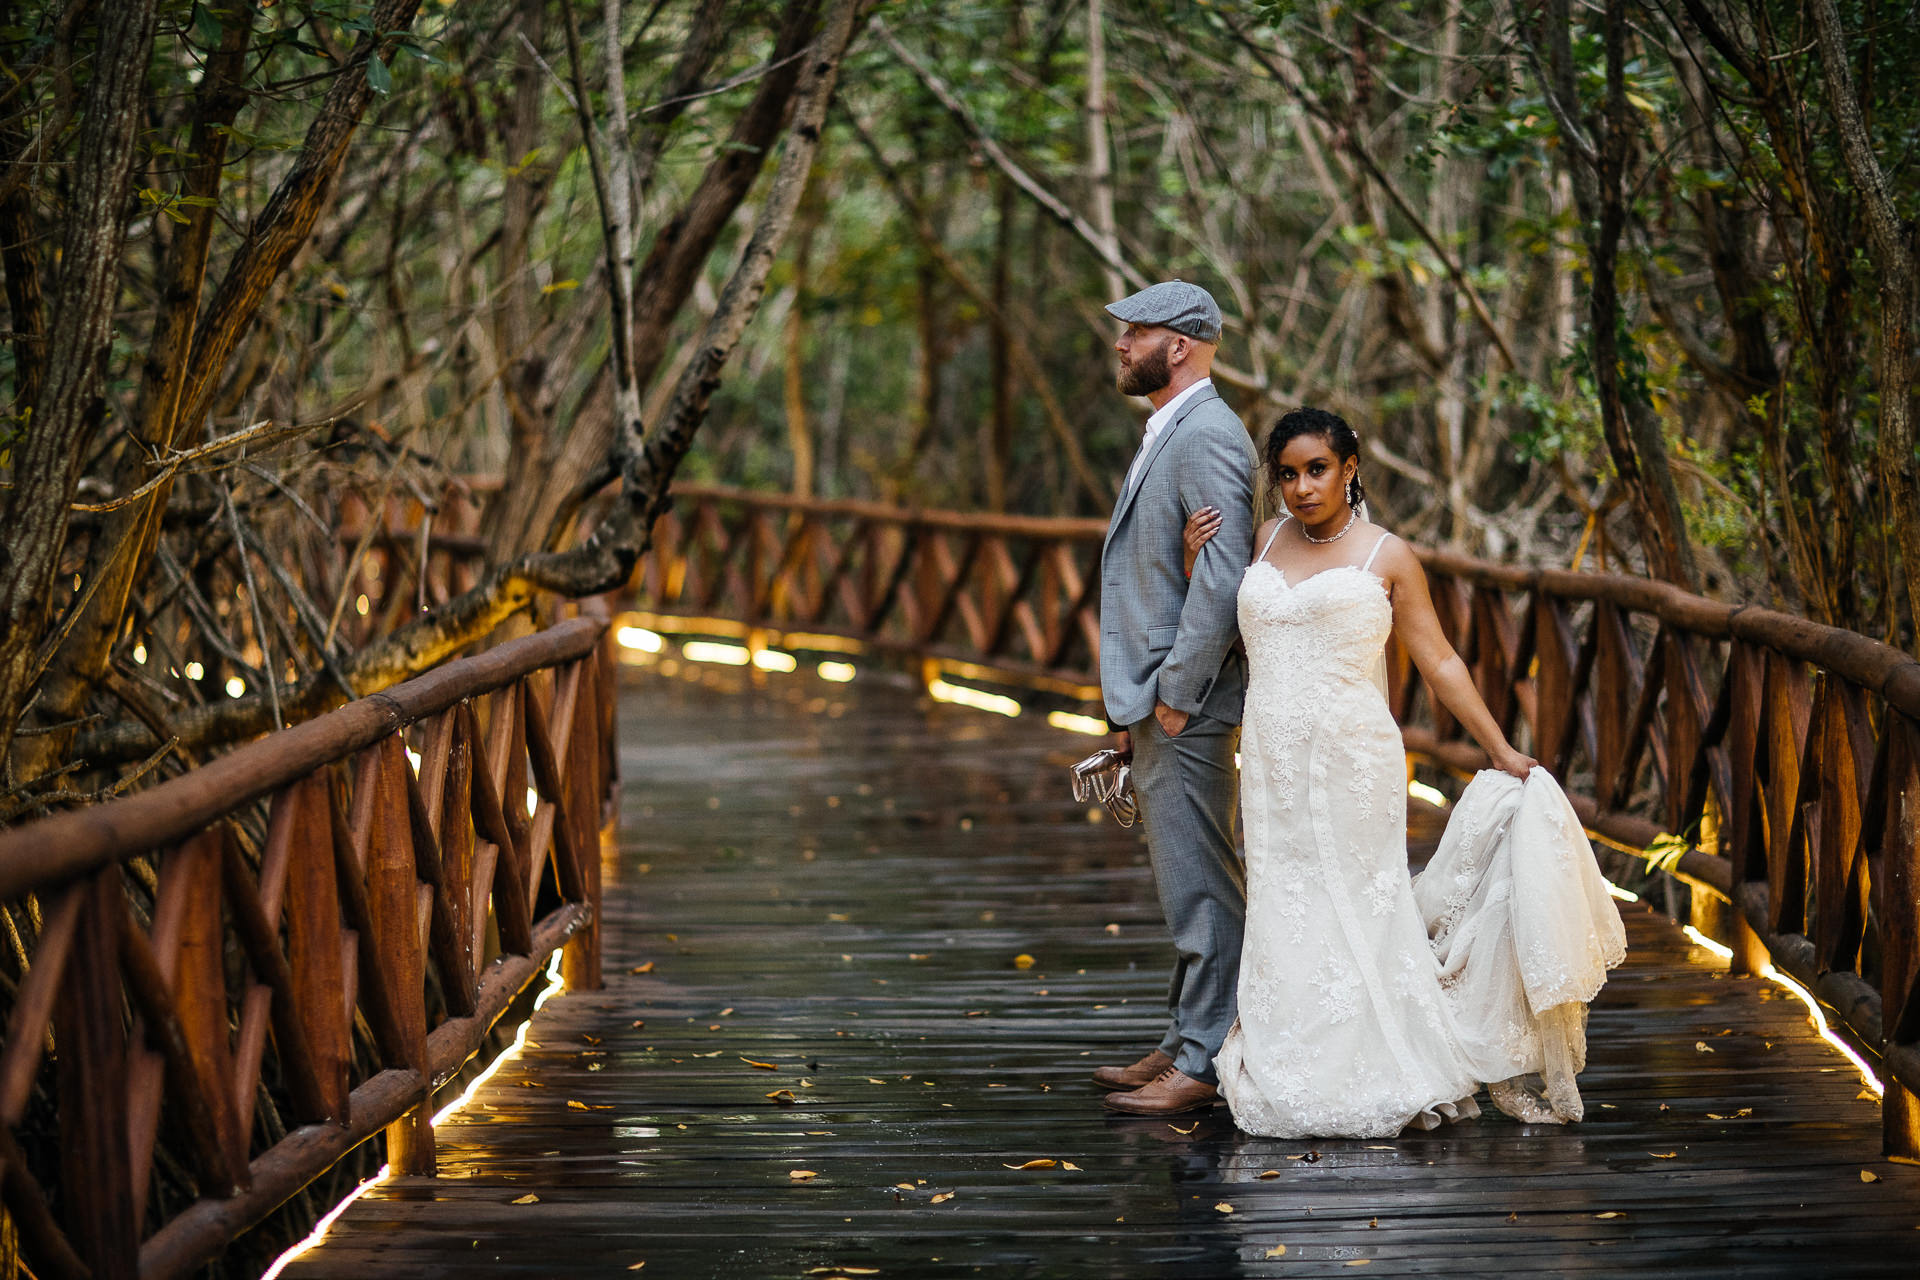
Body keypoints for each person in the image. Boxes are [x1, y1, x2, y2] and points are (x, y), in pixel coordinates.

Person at [1183, 407, 1627, 1137]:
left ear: (1350, 467)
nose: (1299, 488)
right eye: (1287, 474)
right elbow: (1232, 636)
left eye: (1316, 470)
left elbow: (1441, 659)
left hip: (1354, 761)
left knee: (1357, 901)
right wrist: (1198, 566)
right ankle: (1291, 1056)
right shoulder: (1262, 543)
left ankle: (1383, 1056)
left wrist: (1497, 747)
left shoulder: (1387, 557)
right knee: (1285, 901)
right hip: (1271, 764)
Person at [1091, 280, 1257, 1117]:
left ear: (1180, 343)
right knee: (1183, 877)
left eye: (1135, 331)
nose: (1120, 345)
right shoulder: (1176, 428)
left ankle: (1204, 1060)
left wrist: (1174, 698)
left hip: (1185, 701)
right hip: (1158, 699)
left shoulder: (1209, 435)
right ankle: (1184, 1036)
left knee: (1201, 883)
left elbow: (1223, 578)